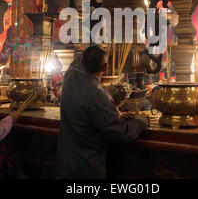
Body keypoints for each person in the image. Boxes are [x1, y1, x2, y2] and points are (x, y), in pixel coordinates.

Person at [56, 45, 149, 179]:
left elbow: (77, 60)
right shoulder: (99, 96)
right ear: (105, 68)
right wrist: (140, 121)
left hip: (64, 165)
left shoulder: (69, 77)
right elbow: (120, 133)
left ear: (82, 61)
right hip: (87, 169)